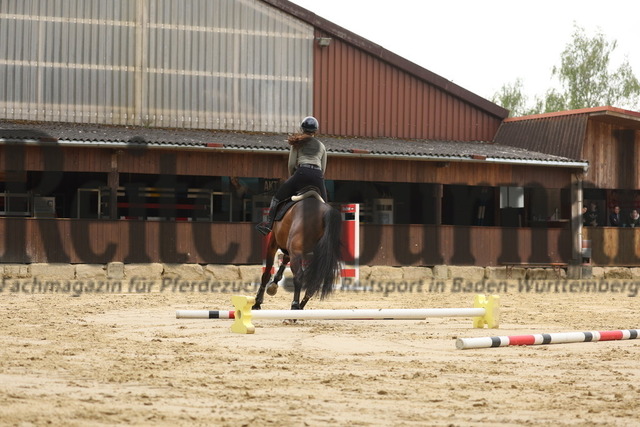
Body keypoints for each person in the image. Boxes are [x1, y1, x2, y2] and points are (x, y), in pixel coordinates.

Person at [255, 116, 327, 235]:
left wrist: (294, 178)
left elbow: (291, 164)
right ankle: (328, 235)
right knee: (325, 206)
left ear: (302, 129)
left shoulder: (297, 143)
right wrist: (317, 177)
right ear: (316, 131)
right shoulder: (322, 146)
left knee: (277, 198)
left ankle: (268, 225)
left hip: (301, 173)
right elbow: (323, 169)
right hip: (317, 177)